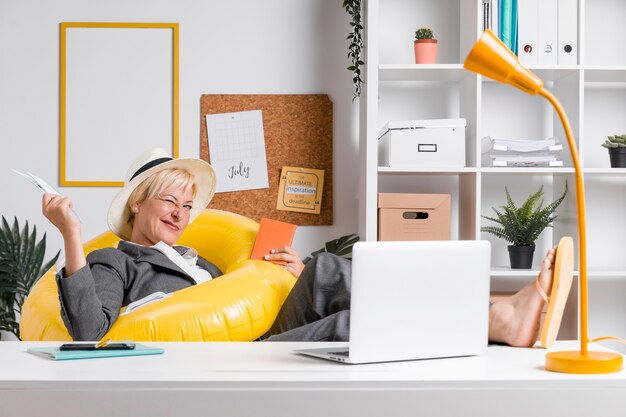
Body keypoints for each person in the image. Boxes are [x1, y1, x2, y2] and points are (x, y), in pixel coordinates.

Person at [43, 148, 558, 346]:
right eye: (168, 201)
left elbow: (238, 294)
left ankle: (491, 310)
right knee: (351, 326)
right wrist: (69, 232)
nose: (181, 212)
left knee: (326, 268)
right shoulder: (114, 259)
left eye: (187, 203)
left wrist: (288, 272)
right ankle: (497, 323)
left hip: (262, 328)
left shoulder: (198, 259)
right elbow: (89, 330)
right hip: (237, 355)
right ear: (137, 204)